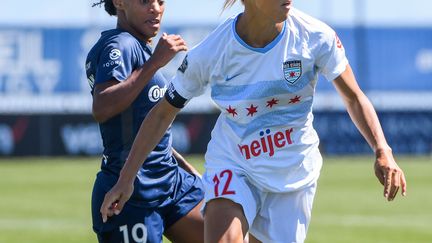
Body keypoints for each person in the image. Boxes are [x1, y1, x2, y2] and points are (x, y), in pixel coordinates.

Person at [100, 0, 408, 242]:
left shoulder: (316, 37)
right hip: (235, 163)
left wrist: (383, 150)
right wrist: (126, 179)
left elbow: (354, 97)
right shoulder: (212, 52)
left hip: (293, 173)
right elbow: (162, 113)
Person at [85, 0, 204, 242]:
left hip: (171, 182)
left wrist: (185, 167)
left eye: (161, 1)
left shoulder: (138, 46)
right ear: (119, 3)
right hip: (130, 193)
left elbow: (146, 126)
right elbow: (103, 106)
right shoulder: (119, 44)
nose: (156, 8)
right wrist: (154, 63)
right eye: (144, 1)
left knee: (234, 235)